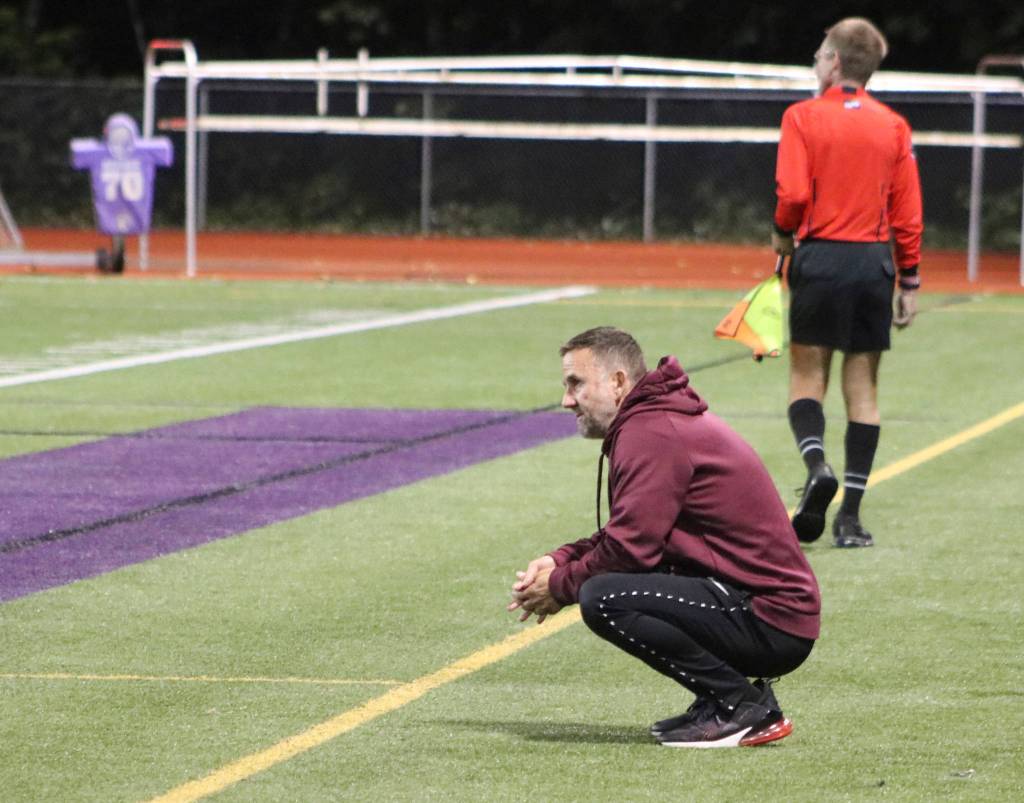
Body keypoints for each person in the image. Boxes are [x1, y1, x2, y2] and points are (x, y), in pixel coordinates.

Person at [508, 327, 820, 748]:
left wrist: (560, 586)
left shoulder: (651, 432)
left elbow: (630, 550)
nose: (566, 400)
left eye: (575, 384)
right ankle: (724, 700)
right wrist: (560, 559)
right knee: (604, 587)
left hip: (771, 619)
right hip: (761, 608)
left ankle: (739, 706)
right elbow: (631, 531)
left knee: (602, 597)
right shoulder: (652, 422)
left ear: (618, 382)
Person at [772, 17, 924, 548]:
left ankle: (817, 469)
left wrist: (781, 235)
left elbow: (791, 193)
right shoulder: (893, 126)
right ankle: (851, 520)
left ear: (834, 62)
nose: (816, 63)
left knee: (806, 379)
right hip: (871, 267)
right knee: (864, 390)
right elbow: (907, 214)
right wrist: (910, 278)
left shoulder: (801, 117)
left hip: (819, 260)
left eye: (819, 55)